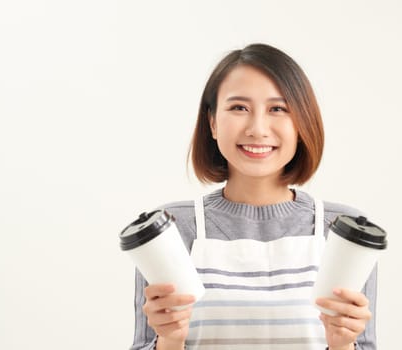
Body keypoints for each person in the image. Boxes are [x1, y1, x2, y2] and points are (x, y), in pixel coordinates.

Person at [130, 43, 378, 350]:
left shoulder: (344, 231)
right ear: (212, 122)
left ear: (301, 123)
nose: (258, 129)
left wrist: (342, 345)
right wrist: (168, 340)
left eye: (278, 109)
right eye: (238, 108)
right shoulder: (173, 229)